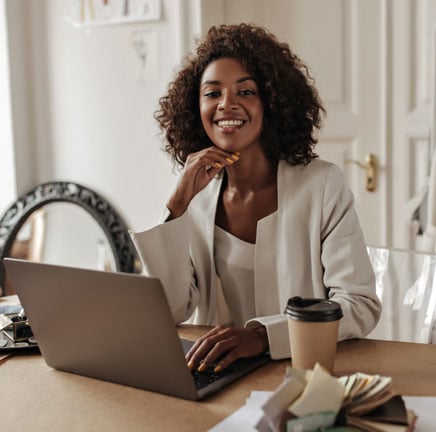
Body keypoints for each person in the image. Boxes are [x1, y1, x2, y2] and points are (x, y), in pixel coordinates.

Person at [130, 23, 381, 374]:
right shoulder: (197, 196)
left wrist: (263, 336)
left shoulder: (322, 185)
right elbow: (173, 310)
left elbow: (359, 304)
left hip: (303, 374)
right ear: (195, 106)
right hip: (219, 376)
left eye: (245, 92)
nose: (227, 105)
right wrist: (175, 208)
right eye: (212, 93)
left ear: (272, 103)